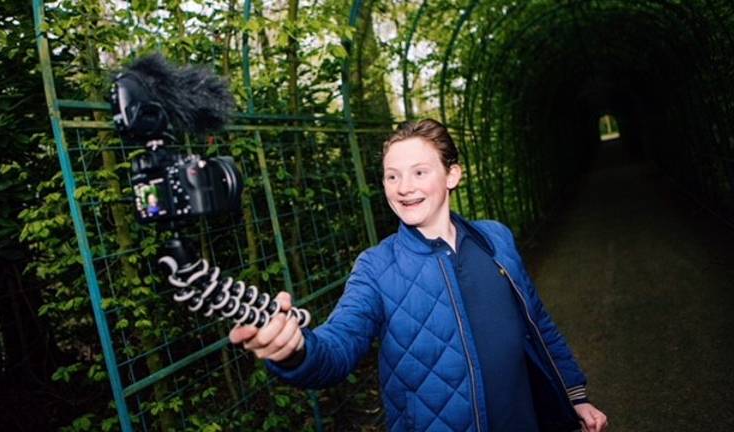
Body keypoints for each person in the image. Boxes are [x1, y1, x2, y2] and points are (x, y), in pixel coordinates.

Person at [230, 119, 608, 432]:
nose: (404, 188)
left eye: (419, 172)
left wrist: (575, 395)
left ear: (452, 175)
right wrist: (295, 350)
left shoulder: (495, 238)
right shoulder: (376, 268)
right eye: (391, 176)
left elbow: (537, 322)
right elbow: (338, 347)